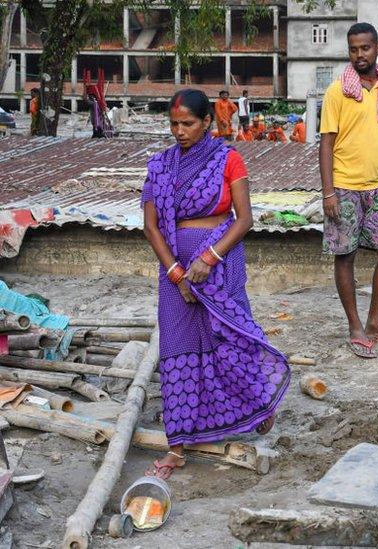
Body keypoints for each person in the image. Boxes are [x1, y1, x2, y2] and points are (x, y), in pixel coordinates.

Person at [140, 89, 289, 479]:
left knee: (231, 339)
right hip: (173, 272)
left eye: (187, 123)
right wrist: (177, 272)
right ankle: (177, 446)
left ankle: (258, 406)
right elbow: (151, 226)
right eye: (173, 123)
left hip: (219, 268)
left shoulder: (229, 159)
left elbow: (244, 219)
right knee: (178, 347)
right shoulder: (159, 166)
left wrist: (208, 259)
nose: (179, 131)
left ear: (207, 121)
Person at [319, 22, 378, 359]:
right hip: (343, 187)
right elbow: (326, 144)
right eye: (354, 49)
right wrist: (328, 192)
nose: (360, 55)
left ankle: (375, 322)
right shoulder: (336, 92)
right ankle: (355, 326)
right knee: (346, 257)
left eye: (365, 48)